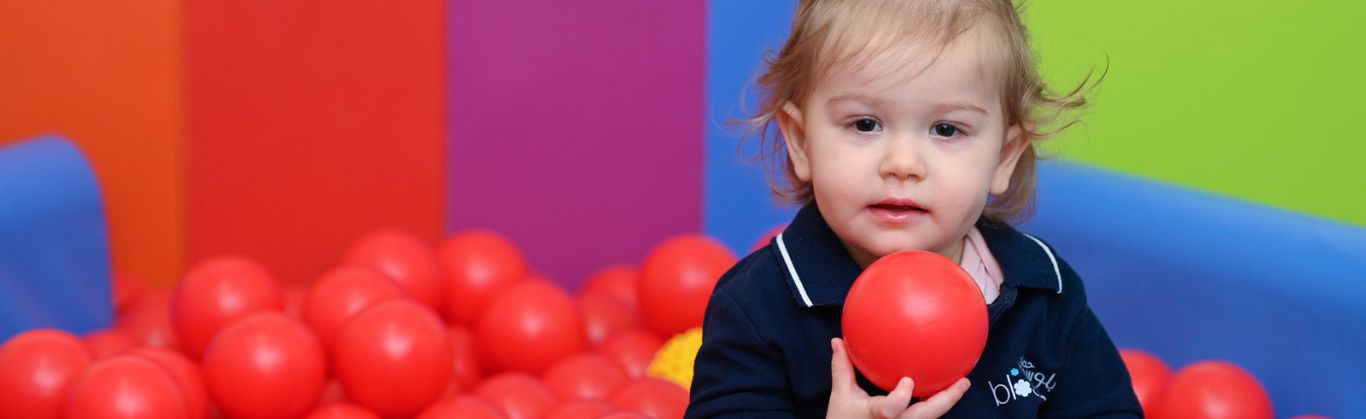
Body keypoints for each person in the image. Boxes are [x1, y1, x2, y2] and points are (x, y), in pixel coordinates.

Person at [685, 0, 1141, 417]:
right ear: (803, 143)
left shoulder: (1043, 292)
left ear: (1004, 158)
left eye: (946, 129)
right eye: (865, 124)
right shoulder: (758, 307)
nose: (903, 164)